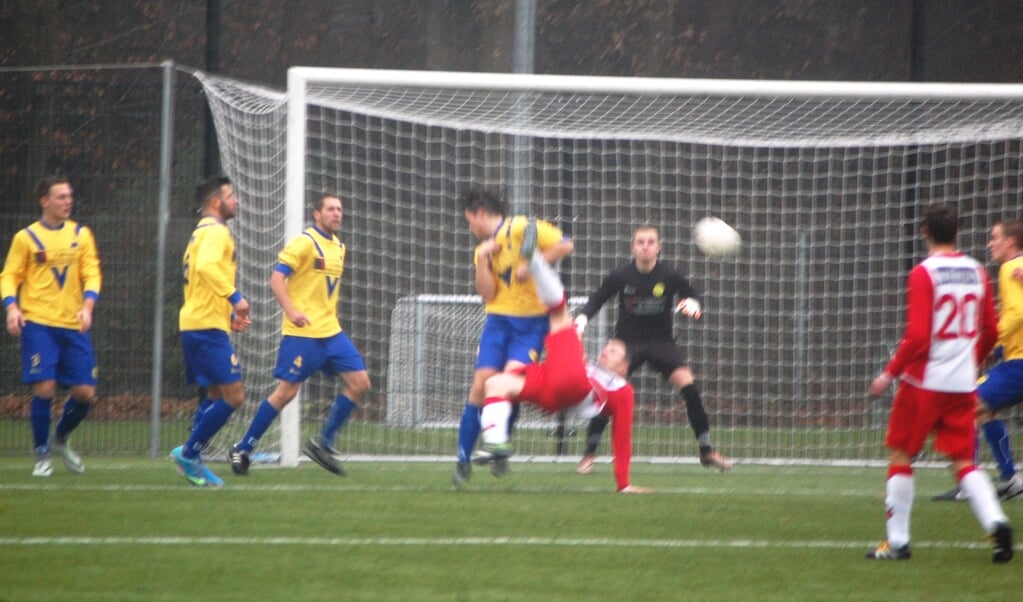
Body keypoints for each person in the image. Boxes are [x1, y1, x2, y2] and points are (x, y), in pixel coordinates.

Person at [866, 203, 1013, 563]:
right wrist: (972, 360)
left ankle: (897, 542)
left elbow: (917, 336)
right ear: (958, 233)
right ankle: (996, 522)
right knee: (964, 460)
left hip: (924, 383)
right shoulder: (978, 271)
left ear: (925, 233)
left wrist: (889, 373)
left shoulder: (923, 273)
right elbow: (992, 330)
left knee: (901, 453)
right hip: (962, 384)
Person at [479, 243, 649, 493]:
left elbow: (621, 437)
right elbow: (565, 364)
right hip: (553, 389)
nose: (605, 350)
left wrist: (623, 483)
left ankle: (535, 260)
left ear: (624, 368)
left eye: (613, 351)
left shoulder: (623, 390)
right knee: (494, 384)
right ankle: (496, 446)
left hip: (575, 387)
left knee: (560, 315)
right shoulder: (589, 367)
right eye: (606, 347)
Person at [227, 194, 371, 476]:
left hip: (331, 332)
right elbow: (276, 278)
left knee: (361, 382)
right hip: (302, 333)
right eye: (330, 209)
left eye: (339, 209)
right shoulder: (305, 242)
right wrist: (292, 311)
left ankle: (323, 443)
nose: (337, 214)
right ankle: (243, 448)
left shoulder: (340, 247)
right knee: (286, 393)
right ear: (317, 214)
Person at [573, 225, 732, 474]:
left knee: (689, 388)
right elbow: (598, 297)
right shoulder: (622, 275)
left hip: (661, 343)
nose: (645, 246)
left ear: (658, 247)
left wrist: (693, 308)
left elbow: (695, 301)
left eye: (650, 242)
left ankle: (707, 451)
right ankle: (588, 455)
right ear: (633, 247)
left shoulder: (670, 275)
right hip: (627, 343)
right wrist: (581, 319)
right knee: (606, 392)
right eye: (640, 242)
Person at [454, 188, 574, 488]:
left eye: (470, 220)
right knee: (481, 384)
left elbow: (565, 244)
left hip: (532, 324)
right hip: (498, 322)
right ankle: (463, 460)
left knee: (510, 380)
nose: (469, 227)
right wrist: (482, 260)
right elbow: (487, 294)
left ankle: (498, 445)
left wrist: (532, 263)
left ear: (480, 213)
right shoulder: (483, 247)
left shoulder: (521, 227)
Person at [1, 175, 102, 477]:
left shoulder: (81, 234)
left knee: (85, 393)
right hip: (39, 324)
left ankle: (59, 438)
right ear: (44, 201)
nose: (67, 201)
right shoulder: (26, 238)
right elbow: (9, 276)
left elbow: (92, 274)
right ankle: (41, 454)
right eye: (60, 197)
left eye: (69, 196)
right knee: (44, 387)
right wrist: (12, 308)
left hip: (73, 325)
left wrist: (87, 307)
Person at [933, 218, 1023, 502]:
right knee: (982, 409)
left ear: (1010, 242)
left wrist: (988, 342)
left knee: (966, 404)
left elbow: (1017, 313)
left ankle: (969, 483)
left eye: (995, 237)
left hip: (1019, 364)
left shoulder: (1010, 268)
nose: (990, 243)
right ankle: (1008, 479)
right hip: (1014, 359)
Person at [171, 176, 251, 487]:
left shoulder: (200, 232)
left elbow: (203, 278)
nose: (236, 202)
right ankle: (190, 453)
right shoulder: (217, 231)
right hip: (204, 328)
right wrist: (235, 298)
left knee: (216, 393)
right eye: (231, 196)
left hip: (200, 323)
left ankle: (193, 454)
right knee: (235, 396)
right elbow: (206, 268)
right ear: (216, 201)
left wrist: (228, 314)